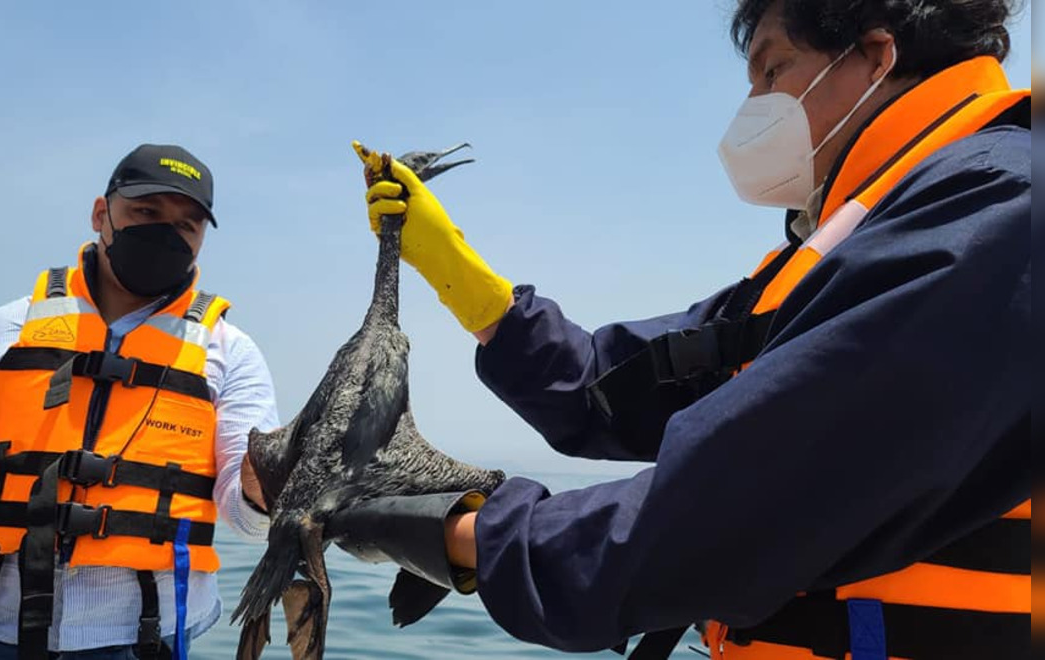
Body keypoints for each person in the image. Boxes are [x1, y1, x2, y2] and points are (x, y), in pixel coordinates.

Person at [348, 1, 1030, 658]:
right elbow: (612, 385)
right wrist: (460, 275)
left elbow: (731, 511)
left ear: (877, 56)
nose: (754, 106)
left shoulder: (996, 210)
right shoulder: (850, 243)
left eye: (772, 70)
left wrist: (454, 531)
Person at [0, 144, 280, 660]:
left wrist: (264, 484)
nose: (166, 232)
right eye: (145, 212)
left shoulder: (232, 353)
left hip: (142, 638)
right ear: (101, 213)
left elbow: (251, 522)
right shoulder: (1, 331)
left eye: (187, 225)